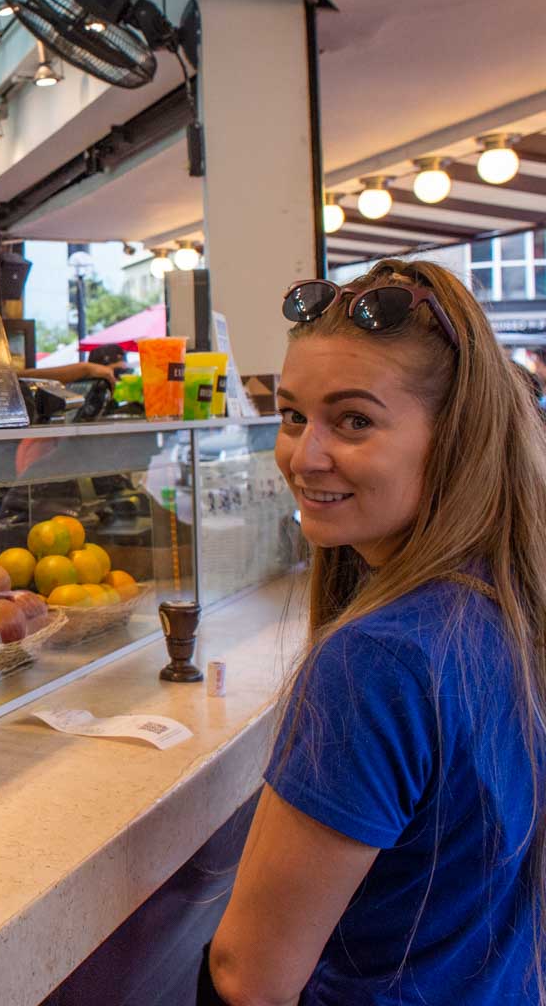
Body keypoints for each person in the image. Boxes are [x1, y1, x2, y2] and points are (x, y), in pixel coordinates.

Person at [204, 259, 546, 1005]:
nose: (305, 455)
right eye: (293, 415)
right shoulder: (512, 599)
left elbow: (249, 974)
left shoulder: (378, 660)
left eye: (354, 420)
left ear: (456, 437)